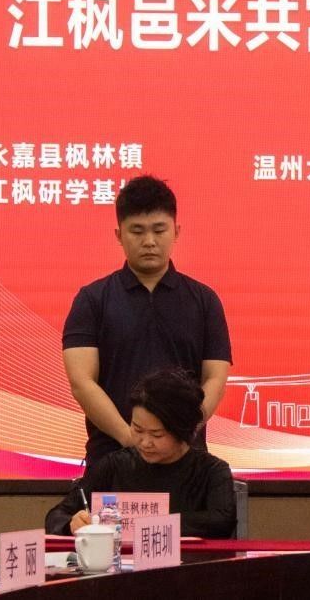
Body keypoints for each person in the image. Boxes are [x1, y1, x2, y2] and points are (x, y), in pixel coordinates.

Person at [62, 174, 231, 469]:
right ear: (119, 235)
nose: (149, 241)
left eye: (159, 230)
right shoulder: (92, 299)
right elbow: (81, 382)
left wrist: (180, 434)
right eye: (137, 231)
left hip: (187, 463)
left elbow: (215, 378)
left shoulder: (204, 301)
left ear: (176, 231)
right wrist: (132, 439)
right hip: (113, 460)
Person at [46, 369, 236, 538]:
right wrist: (71, 524)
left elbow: (222, 522)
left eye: (157, 434)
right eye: (137, 429)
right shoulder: (114, 466)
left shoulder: (211, 471)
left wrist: (147, 522)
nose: (145, 442)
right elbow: (56, 516)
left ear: (182, 431)